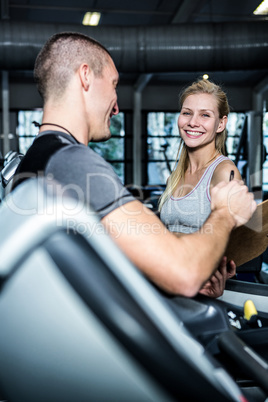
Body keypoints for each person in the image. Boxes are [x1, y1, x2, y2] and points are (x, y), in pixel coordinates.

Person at [12, 32, 256, 299]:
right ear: (85, 76)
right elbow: (183, 273)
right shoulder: (73, 163)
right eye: (114, 84)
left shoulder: (35, 158)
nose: (116, 106)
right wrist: (224, 214)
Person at [159, 79, 241, 235]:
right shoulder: (175, 178)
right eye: (187, 113)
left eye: (205, 115)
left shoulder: (224, 173)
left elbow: (233, 245)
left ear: (220, 124)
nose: (192, 122)